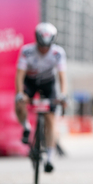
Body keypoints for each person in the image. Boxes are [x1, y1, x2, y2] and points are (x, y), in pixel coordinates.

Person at [15, 22, 67, 173]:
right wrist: (20, 94)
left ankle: (50, 158)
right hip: (30, 82)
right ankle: (26, 126)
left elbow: (62, 76)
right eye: (41, 46)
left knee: (50, 119)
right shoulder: (27, 51)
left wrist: (63, 95)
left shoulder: (58, 53)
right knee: (19, 102)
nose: (44, 49)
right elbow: (19, 75)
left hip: (48, 84)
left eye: (47, 46)